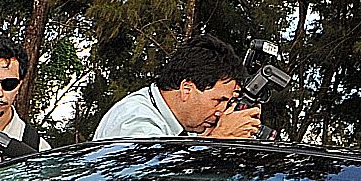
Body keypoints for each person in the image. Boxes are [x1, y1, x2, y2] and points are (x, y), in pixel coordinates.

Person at [93, 34, 262, 140]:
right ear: (186, 88)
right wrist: (220, 139)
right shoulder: (136, 121)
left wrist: (208, 139)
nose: (221, 111)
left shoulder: (180, 125)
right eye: (218, 100)